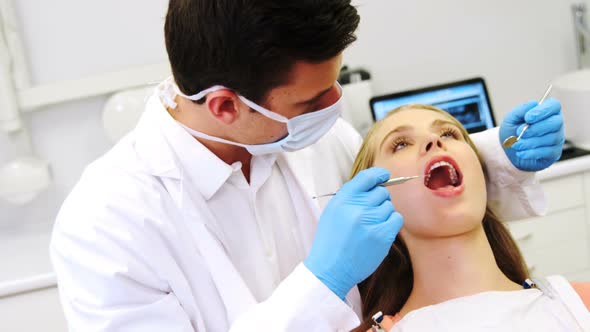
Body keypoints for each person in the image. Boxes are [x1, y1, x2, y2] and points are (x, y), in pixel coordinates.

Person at [49, 1, 564, 331]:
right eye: (312, 99)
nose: (336, 104)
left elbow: (406, 188)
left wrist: (499, 155)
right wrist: (323, 282)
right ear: (227, 106)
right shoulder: (106, 227)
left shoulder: (316, 138)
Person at [351, 104, 588, 332]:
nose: (434, 141)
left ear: (483, 173)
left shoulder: (580, 305)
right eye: (400, 144)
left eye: (449, 133)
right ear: (375, 199)